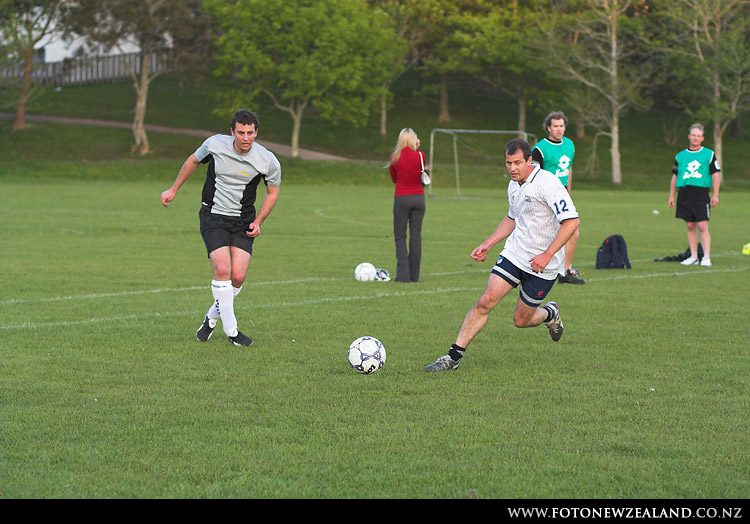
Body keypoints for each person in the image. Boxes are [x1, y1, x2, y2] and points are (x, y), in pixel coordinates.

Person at [425, 139, 580, 372]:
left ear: (530, 161)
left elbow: (571, 221)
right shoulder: (514, 184)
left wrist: (547, 255)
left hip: (543, 265)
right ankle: (452, 357)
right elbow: (512, 218)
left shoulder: (548, 184)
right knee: (485, 300)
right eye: (508, 163)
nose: (512, 168)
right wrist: (488, 243)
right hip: (516, 253)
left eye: (517, 162)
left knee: (521, 320)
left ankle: (550, 313)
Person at [160, 109, 281, 346]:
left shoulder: (267, 160)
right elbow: (193, 161)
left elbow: (272, 191)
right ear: (232, 132)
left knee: (237, 276)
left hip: (243, 220)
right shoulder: (214, 144)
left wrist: (258, 222)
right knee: (223, 269)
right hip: (213, 215)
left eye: (250, 133)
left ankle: (211, 318)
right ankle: (232, 331)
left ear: (256, 132)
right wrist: (173, 189)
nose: (245, 138)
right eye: (240, 133)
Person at [532, 111, 584, 285]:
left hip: (561, 194)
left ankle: (564, 271)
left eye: (562, 126)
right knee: (543, 233)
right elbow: (534, 175)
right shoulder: (540, 149)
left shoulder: (569, 144)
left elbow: (568, 169)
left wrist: (568, 192)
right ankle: (534, 267)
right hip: (545, 194)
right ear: (549, 128)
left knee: (572, 231)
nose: (559, 129)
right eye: (555, 126)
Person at [668, 123, 720, 267]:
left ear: (702, 138)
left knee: (702, 225)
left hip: (701, 193)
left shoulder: (709, 154)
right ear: (689, 136)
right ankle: (694, 256)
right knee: (690, 225)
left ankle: (706, 257)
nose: (696, 138)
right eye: (693, 135)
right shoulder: (680, 156)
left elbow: (715, 176)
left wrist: (715, 195)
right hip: (685, 193)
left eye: (699, 136)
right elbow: (675, 176)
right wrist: (672, 195)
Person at [388, 128, 427, 282]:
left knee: (400, 236)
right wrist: (416, 148)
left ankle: (403, 274)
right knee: (416, 236)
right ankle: (414, 275)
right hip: (419, 198)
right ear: (413, 140)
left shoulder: (394, 157)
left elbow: (394, 179)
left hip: (402, 198)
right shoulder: (420, 155)